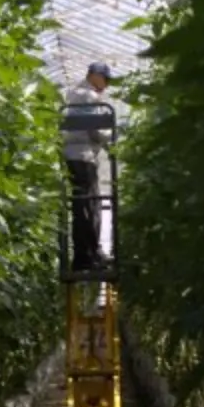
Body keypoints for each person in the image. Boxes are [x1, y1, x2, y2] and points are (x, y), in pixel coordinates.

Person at [61, 62, 115, 270]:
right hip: (83, 157)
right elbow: (96, 131)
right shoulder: (88, 96)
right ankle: (89, 256)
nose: (107, 85)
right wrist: (110, 136)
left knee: (80, 206)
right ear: (95, 76)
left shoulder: (72, 93)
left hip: (71, 156)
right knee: (90, 207)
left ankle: (85, 254)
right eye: (106, 79)